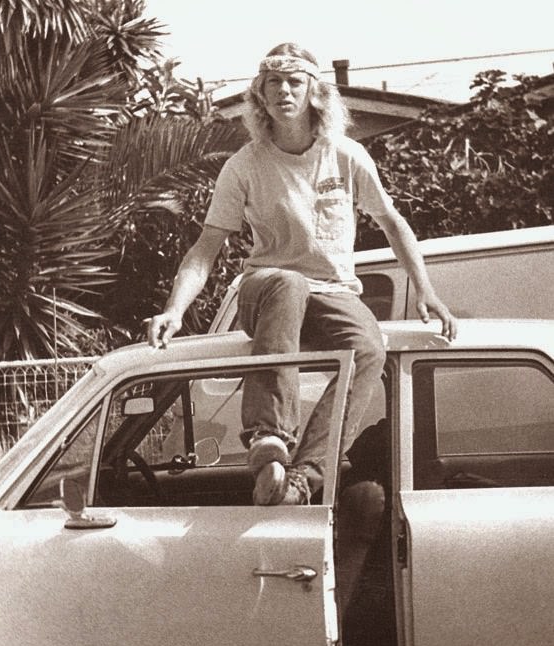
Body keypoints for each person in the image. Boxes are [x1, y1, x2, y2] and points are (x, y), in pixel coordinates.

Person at [148, 42, 457, 506]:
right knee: (288, 283)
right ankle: (268, 438)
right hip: (266, 291)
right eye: (274, 82)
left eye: (294, 81)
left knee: (370, 347)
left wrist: (427, 290)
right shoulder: (244, 165)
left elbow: (392, 221)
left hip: (331, 292)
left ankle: (302, 477)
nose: (284, 90)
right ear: (260, 96)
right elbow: (207, 246)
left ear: (315, 91)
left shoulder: (347, 155)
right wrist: (174, 309)